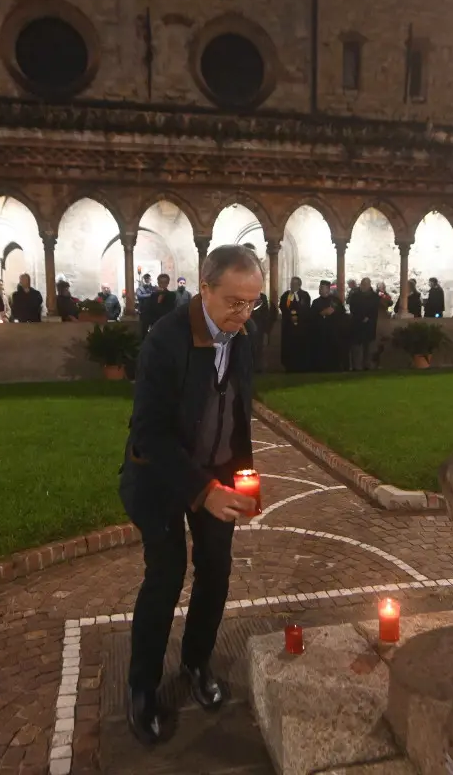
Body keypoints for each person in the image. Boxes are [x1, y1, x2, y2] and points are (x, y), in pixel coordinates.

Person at [119, 245, 262, 746]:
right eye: (234, 302)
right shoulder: (166, 339)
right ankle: (141, 687)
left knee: (217, 569)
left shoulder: (244, 335)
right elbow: (148, 433)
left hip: (218, 472)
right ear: (203, 288)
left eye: (252, 304)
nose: (243, 315)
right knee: (166, 574)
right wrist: (202, 490)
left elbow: (239, 410)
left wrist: (244, 474)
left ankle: (197, 663)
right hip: (160, 477)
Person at [311, 279, 347, 371]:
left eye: (322, 288)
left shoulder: (335, 301)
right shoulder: (316, 302)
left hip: (334, 332)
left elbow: (342, 314)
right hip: (321, 333)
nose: (320, 290)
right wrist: (322, 314)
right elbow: (311, 316)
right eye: (319, 288)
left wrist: (334, 313)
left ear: (328, 289)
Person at [347, 277, 382, 371]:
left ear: (369, 285)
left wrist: (368, 317)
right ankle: (357, 366)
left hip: (369, 325)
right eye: (363, 284)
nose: (364, 286)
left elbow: (375, 309)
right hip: (357, 324)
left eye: (366, 284)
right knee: (357, 347)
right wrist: (362, 317)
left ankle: (368, 365)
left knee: (369, 346)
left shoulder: (375, 296)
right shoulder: (355, 295)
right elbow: (353, 308)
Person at [278, 277, 311, 372]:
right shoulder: (286, 295)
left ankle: (300, 367)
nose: (293, 286)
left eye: (295, 284)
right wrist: (290, 316)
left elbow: (306, 308)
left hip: (300, 327)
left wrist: (298, 316)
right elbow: (283, 307)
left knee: (299, 347)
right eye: (291, 284)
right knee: (288, 348)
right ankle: (288, 366)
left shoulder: (304, 295)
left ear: (299, 285)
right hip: (288, 327)